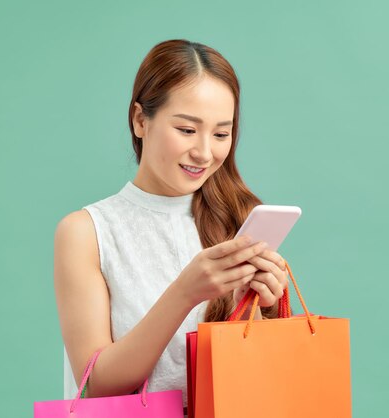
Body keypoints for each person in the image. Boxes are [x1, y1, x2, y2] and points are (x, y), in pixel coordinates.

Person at [53, 39, 289, 415]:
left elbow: (263, 380)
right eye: (186, 129)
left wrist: (269, 307)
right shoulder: (86, 232)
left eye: (221, 134)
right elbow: (95, 385)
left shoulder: (239, 217)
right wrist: (184, 293)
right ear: (140, 120)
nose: (204, 152)